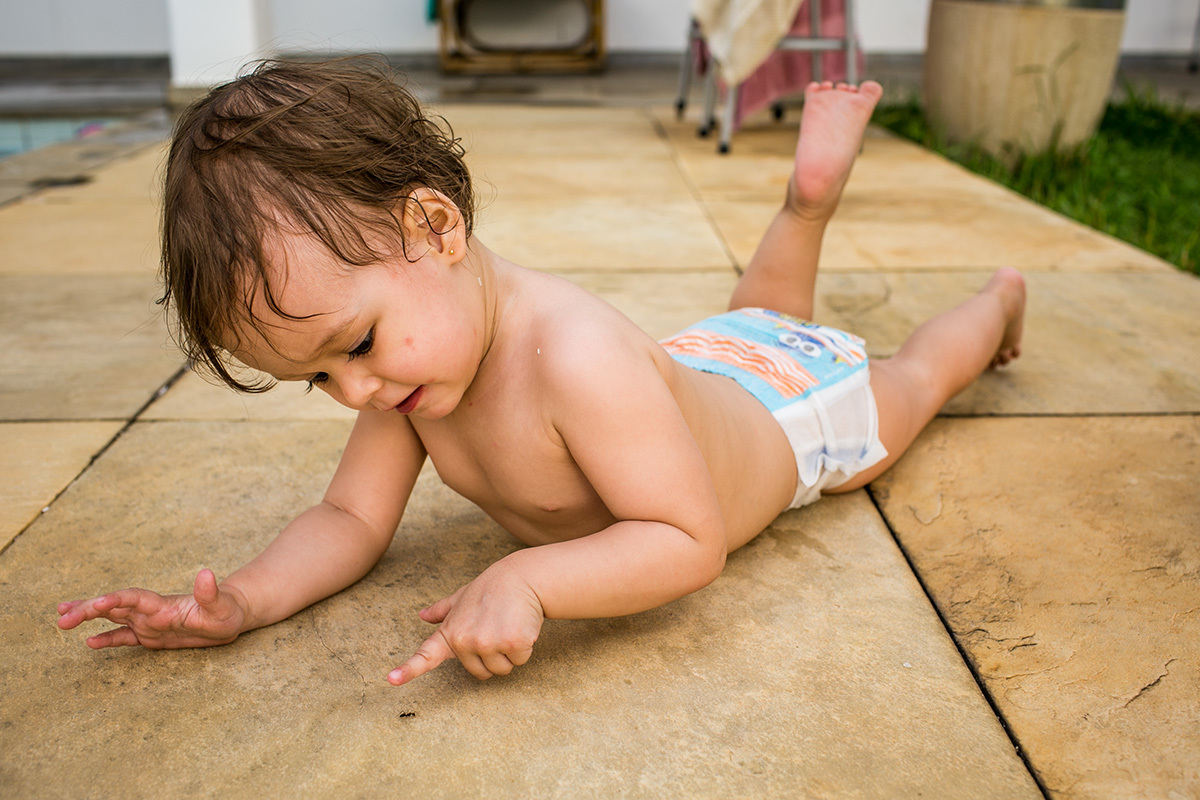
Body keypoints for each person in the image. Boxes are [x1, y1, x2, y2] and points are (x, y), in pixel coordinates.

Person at [56, 61, 1025, 687]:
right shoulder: (411, 374)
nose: (352, 391)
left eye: (351, 346)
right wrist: (247, 599)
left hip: (791, 416)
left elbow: (689, 538)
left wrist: (532, 575)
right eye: (316, 379)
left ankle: (997, 303)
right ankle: (806, 206)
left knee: (915, 377)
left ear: (435, 228)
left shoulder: (575, 354)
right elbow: (350, 519)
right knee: (755, 318)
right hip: (695, 375)